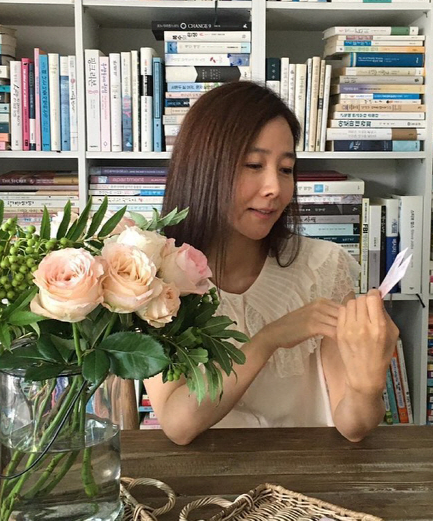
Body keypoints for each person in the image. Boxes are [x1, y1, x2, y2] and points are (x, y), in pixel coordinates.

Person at [144, 81, 399, 445]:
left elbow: (353, 426)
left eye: (286, 169)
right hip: (207, 476)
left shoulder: (324, 266)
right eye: (254, 164)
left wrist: (367, 384)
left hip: (306, 474)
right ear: (203, 167)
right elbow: (178, 424)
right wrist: (269, 339)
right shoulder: (156, 277)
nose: (275, 188)